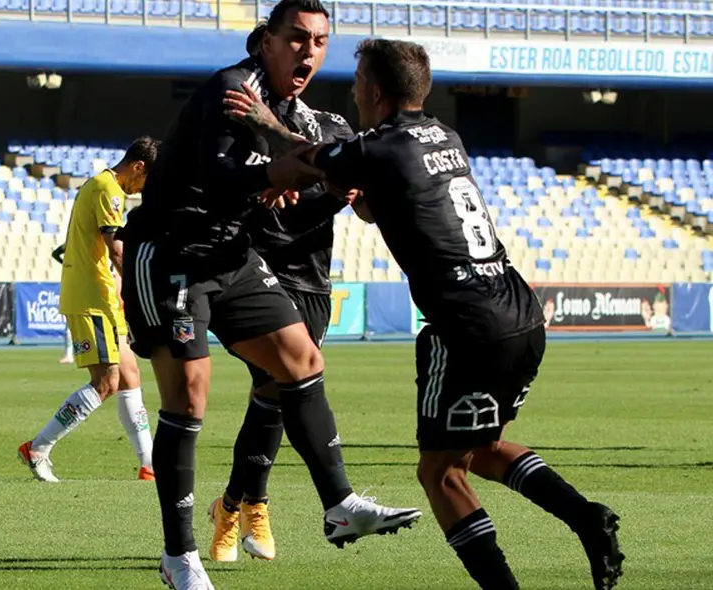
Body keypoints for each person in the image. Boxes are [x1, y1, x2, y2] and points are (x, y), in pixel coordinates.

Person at [241, 38, 624, 590]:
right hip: (520, 312)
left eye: (357, 84)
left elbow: (306, 157)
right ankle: (585, 517)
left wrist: (264, 121)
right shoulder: (446, 135)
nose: (353, 94)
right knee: (481, 449)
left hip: (466, 324)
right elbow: (375, 205)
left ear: (375, 91)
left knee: (439, 472)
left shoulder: (381, 147)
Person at [117, 2, 421, 586]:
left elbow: (301, 175)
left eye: (320, 42)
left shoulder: (289, 112)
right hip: (172, 252)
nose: (309, 51)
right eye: (297, 38)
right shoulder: (233, 90)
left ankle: (340, 504)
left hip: (231, 253)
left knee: (302, 360)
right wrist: (269, 177)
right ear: (266, 42)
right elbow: (214, 176)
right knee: (189, 398)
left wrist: (284, 175)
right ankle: (179, 556)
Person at [207, 19, 361, 564]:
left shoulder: (332, 126)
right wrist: (280, 185)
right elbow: (243, 197)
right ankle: (250, 507)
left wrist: (337, 186)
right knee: (273, 387)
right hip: (261, 275)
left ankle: (233, 504)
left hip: (314, 278)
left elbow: (357, 190)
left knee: (272, 398)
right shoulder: (243, 124)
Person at [18, 138, 159, 483]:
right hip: (91, 296)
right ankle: (38, 448)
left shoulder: (102, 186)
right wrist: (142, 288)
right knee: (106, 382)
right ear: (138, 166)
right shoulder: (107, 188)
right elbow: (116, 249)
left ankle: (150, 465)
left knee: (130, 376)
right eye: (147, 179)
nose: (144, 188)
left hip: (104, 296)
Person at [52, 242, 75, 364]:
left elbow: (55, 253)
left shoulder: (70, 244)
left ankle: (69, 354)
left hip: (74, 284)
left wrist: (65, 264)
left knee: (70, 324)